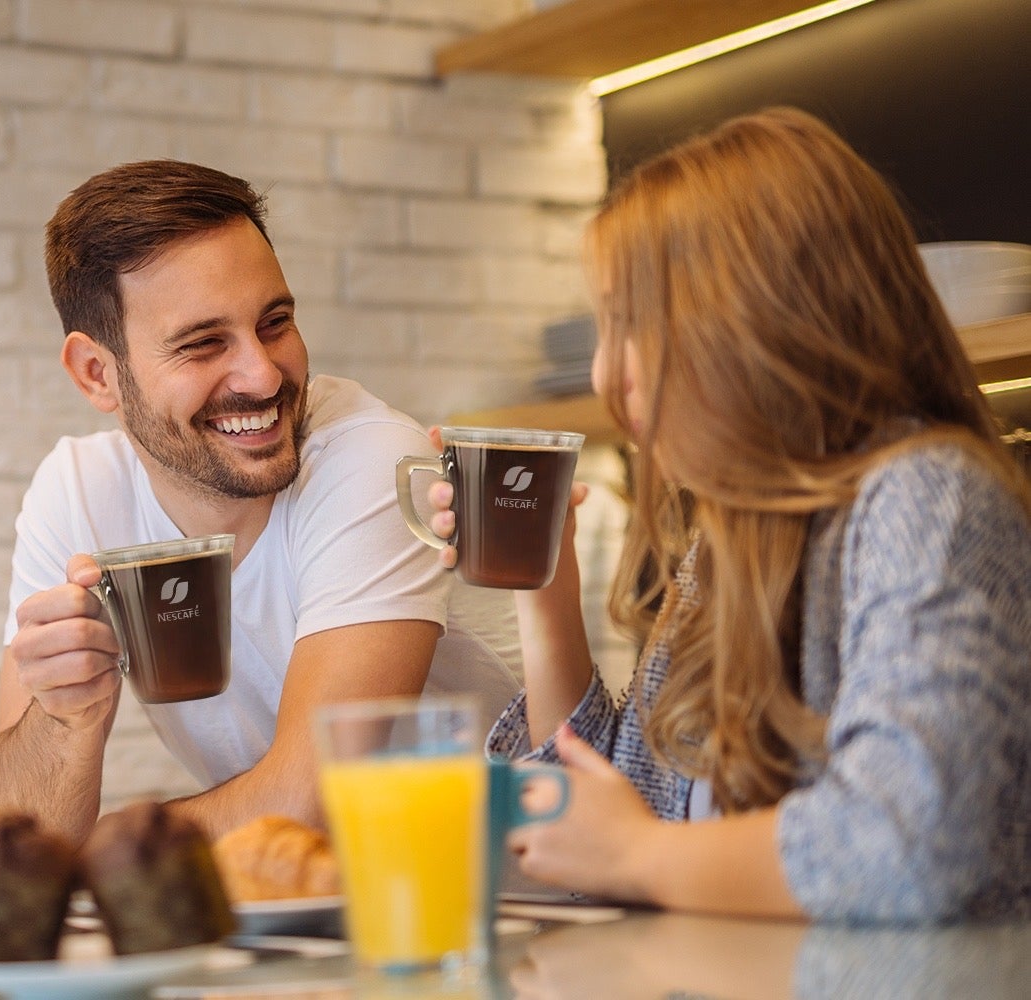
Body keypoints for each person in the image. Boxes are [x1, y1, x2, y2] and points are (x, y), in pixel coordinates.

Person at [429, 107, 1031, 923]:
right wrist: (543, 584)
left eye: (633, 324)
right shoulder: (726, 540)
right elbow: (613, 819)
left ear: (758, 321)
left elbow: (909, 847)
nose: (608, 373)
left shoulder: (927, 499)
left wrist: (639, 855)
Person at [0, 159, 523, 842]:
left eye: (275, 322)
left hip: (507, 905)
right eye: (204, 344)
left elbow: (311, 803)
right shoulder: (79, 492)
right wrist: (63, 719)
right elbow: (18, 837)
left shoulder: (371, 459)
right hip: (299, 916)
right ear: (98, 373)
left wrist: (100, 851)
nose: (263, 374)